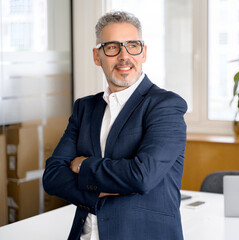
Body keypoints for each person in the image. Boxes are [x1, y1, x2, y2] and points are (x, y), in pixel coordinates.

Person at [42, 11, 187, 240]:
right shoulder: (85, 108)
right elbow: (52, 177)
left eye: (133, 45)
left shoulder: (165, 106)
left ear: (144, 52)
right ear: (97, 56)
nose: (124, 56)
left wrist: (83, 166)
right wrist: (100, 190)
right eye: (112, 47)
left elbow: (141, 176)